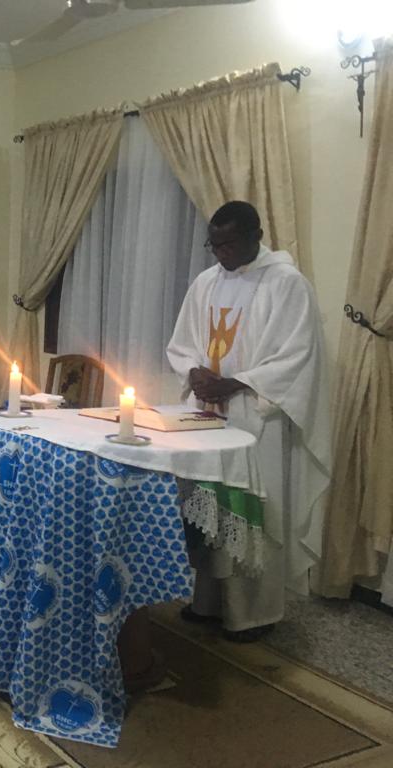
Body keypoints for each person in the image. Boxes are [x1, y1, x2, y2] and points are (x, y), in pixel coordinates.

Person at [167, 201, 331, 642]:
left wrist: (237, 383)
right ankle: (206, 603)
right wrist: (194, 373)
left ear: (256, 235)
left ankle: (253, 614)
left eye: (228, 243)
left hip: (256, 417)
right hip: (209, 413)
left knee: (252, 512)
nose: (219, 253)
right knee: (209, 507)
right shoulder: (206, 282)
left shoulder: (287, 284)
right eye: (213, 244)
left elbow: (298, 357)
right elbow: (182, 344)